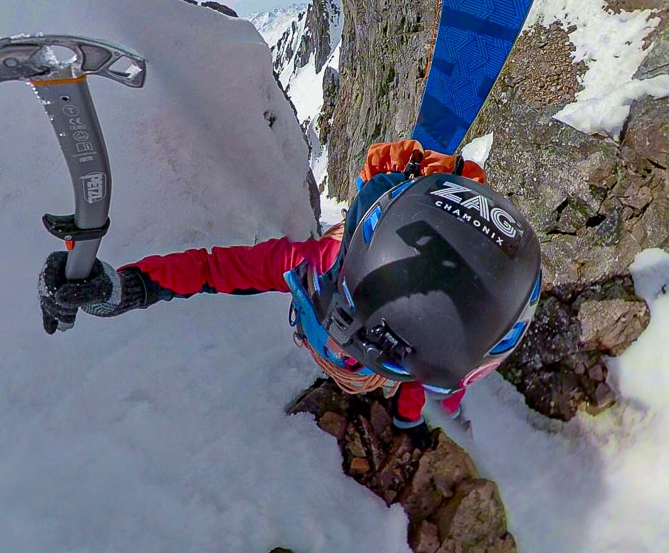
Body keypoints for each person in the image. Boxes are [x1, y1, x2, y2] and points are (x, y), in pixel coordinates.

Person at [37, 140, 543, 431]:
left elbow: (213, 270)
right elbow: (214, 269)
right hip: (417, 250)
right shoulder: (324, 272)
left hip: (439, 272)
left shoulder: (428, 345)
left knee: (434, 385)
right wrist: (127, 288)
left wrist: (129, 288)